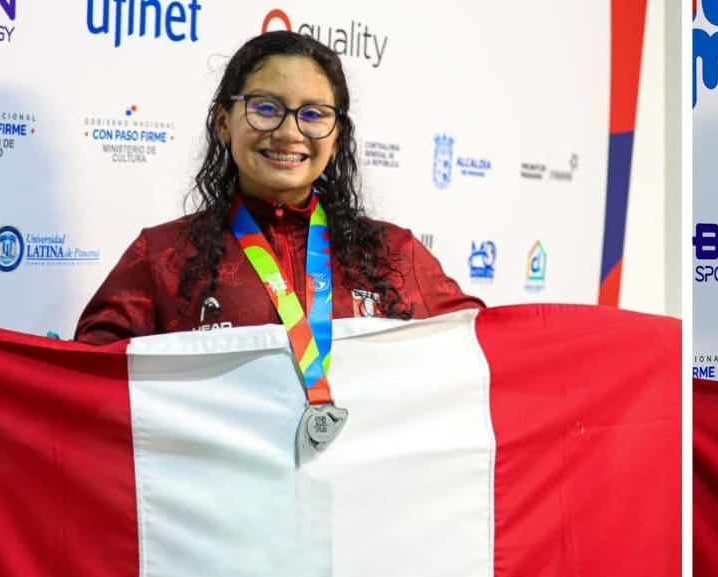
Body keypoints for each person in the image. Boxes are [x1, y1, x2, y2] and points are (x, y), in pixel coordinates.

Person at [75, 31, 481, 344]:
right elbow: (87, 383)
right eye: (266, 108)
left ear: (337, 135)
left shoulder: (396, 255)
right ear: (223, 122)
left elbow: (484, 351)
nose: (289, 132)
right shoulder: (162, 257)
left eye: (314, 114)